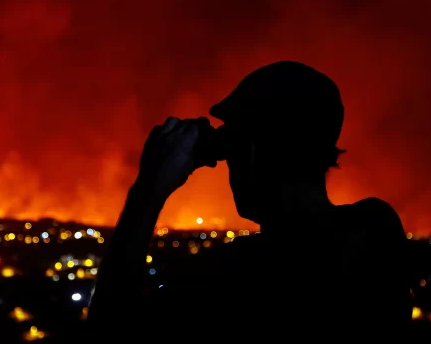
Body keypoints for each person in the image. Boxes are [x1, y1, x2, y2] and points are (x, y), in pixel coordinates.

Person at [87, 61, 412, 339]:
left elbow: (111, 331)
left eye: (233, 152)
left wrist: (149, 188)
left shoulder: (226, 279)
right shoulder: (377, 228)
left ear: (252, 152)